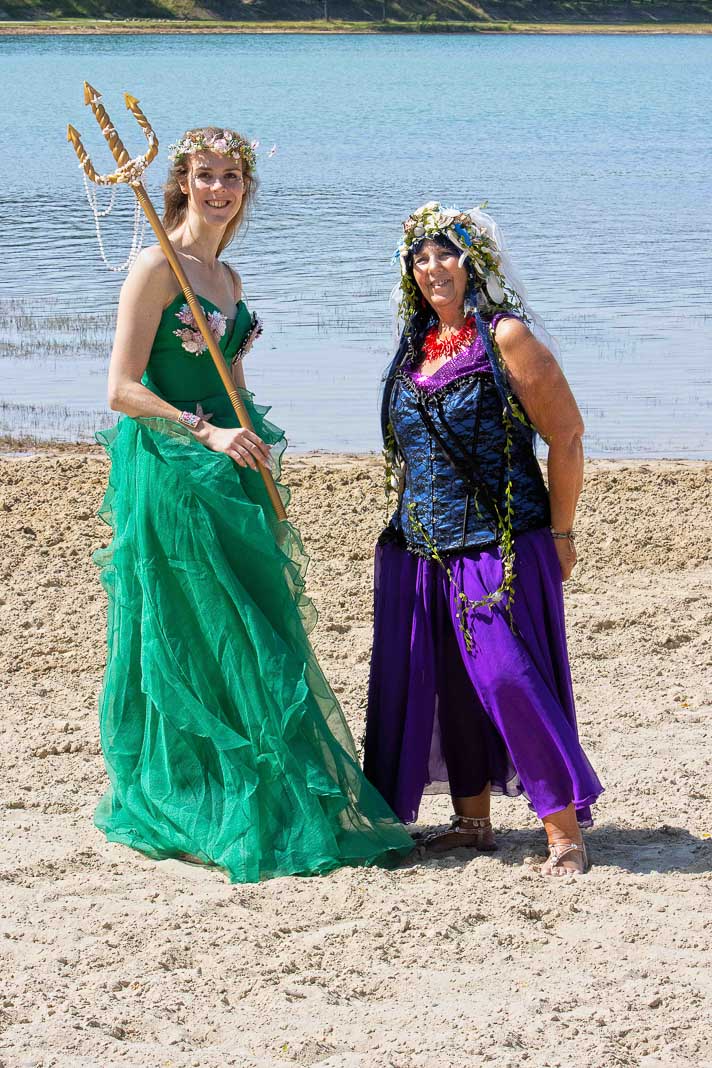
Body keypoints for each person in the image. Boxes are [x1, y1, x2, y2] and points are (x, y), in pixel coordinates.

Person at [92, 126, 412, 883]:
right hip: (175, 468)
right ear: (181, 182)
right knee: (199, 624)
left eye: (232, 176)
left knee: (256, 621)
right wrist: (204, 430)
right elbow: (122, 389)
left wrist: (251, 440)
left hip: (235, 464)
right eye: (205, 175)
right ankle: (198, 790)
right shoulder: (155, 267)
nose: (219, 189)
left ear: (245, 187)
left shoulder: (226, 277)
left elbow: (231, 376)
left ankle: (270, 783)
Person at [363, 202, 603, 876]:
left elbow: (567, 436)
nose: (433, 267)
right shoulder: (416, 345)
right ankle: (472, 823)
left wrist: (561, 530)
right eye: (420, 257)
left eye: (446, 253)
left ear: (476, 263)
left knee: (505, 677)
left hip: (499, 542)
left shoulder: (506, 336)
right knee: (445, 682)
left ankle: (563, 832)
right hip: (420, 547)